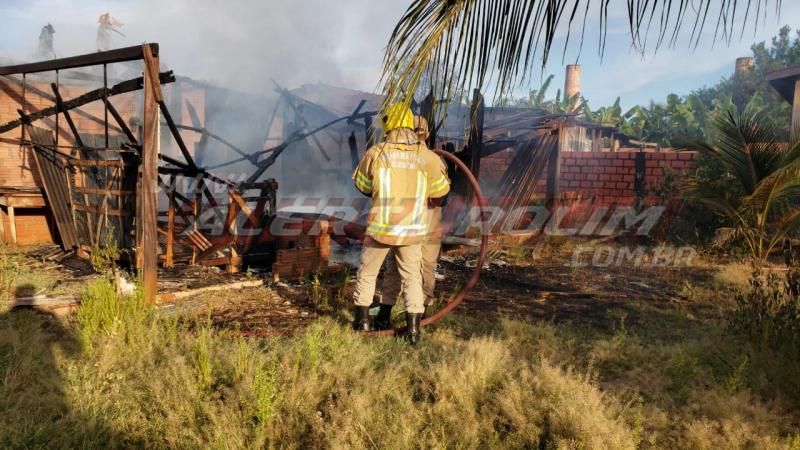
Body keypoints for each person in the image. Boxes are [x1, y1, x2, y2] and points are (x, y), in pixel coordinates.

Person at [351, 104, 450, 344]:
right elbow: (440, 193)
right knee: (412, 279)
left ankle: (362, 324)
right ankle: (414, 331)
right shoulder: (426, 157)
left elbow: (362, 186)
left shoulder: (376, 153)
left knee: (368, 274)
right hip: (412, 230)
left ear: (387, 125)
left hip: (380, 229)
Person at [374, 116, 447, 331]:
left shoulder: (390, 156)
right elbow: (439, 195)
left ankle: (388, 317)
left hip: (408, 222)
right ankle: (414, 322)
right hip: (422, 223)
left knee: (400, 269)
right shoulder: (430, 159)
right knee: (417, 270)